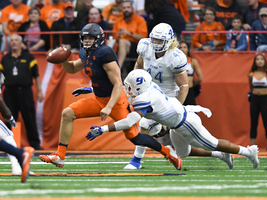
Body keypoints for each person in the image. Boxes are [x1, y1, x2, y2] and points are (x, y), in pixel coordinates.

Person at [39, 23, 182, 171]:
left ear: (99, 39)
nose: (87, 41)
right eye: (85, 38)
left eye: (91, 38)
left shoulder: (105, 53)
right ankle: (60, 156)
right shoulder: (85, 52)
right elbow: (73, 68)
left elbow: (118, 84)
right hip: (98, 99)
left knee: (135, 137)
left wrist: (108, 107)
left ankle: (168, 153)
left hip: (116, 101)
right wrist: (63, 60)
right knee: (67, 113)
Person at [86, 69, 260, 170]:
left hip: (186, 123)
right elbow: (122, 90)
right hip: (176, 122)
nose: (127, 89)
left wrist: (103, 129)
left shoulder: (143, 98)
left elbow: (130, 122)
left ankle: (248, 151)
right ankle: (221, 155)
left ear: (138, 87)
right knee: (183, 152)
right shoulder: (148, 87)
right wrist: (89, 89)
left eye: (131, 87)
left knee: (212, 142)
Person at [123, 23, 189, 169]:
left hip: (167, 95)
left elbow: (184, 87)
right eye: (154, 39)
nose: (156, 43)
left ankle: (136, 160)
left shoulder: (176, 57)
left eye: (160, 40)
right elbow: (138, 67)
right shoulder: (145, 46)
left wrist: (174, 109)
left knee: (188, 146)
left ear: (169, 41)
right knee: (143, 124)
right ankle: (138, 159)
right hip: (149, 90)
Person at [0, 34, 44, 150]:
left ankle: (35, 144)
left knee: (29, 118)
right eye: (12, 40)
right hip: (9, 92)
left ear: (21, 43)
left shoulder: (29, 57)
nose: (13, 42)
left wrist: (40, 91)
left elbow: (36, 75)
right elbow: (1, 76)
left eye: (16, 40)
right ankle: (7, 146)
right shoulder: (5, 59)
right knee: (8, 118)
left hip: (25, 92)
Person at [112, 0, 148, 70]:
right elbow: (114, 37)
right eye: (124, 8)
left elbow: (143, 37)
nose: (126, 10)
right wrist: (118, 35)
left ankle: (117, 69)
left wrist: (129, 33)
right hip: (120, 47)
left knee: (123, 41)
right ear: (121, 9)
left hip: (136, 47)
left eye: (128, 7)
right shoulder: (118, 21)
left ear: (132, 8)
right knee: (118, 42)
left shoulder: (140, 20)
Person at [248, 54, 267, 151]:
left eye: (262, 59)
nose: (259, 61)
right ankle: (252, 146)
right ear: (255, 62)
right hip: (254, 100)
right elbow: (251, 87)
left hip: (265, 99)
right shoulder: (251, 74)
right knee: (253, 123)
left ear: (265, 61)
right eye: (257, 59)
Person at [179, 40, 203, 106]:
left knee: (191, 112)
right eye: (180, 47)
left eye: (184, 47)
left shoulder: (193, 61)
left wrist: (192, 84)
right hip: (178, 91)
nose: (182, 49)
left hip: (189, 90)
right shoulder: (174, 61)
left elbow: (200, 78)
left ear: (187, 49)